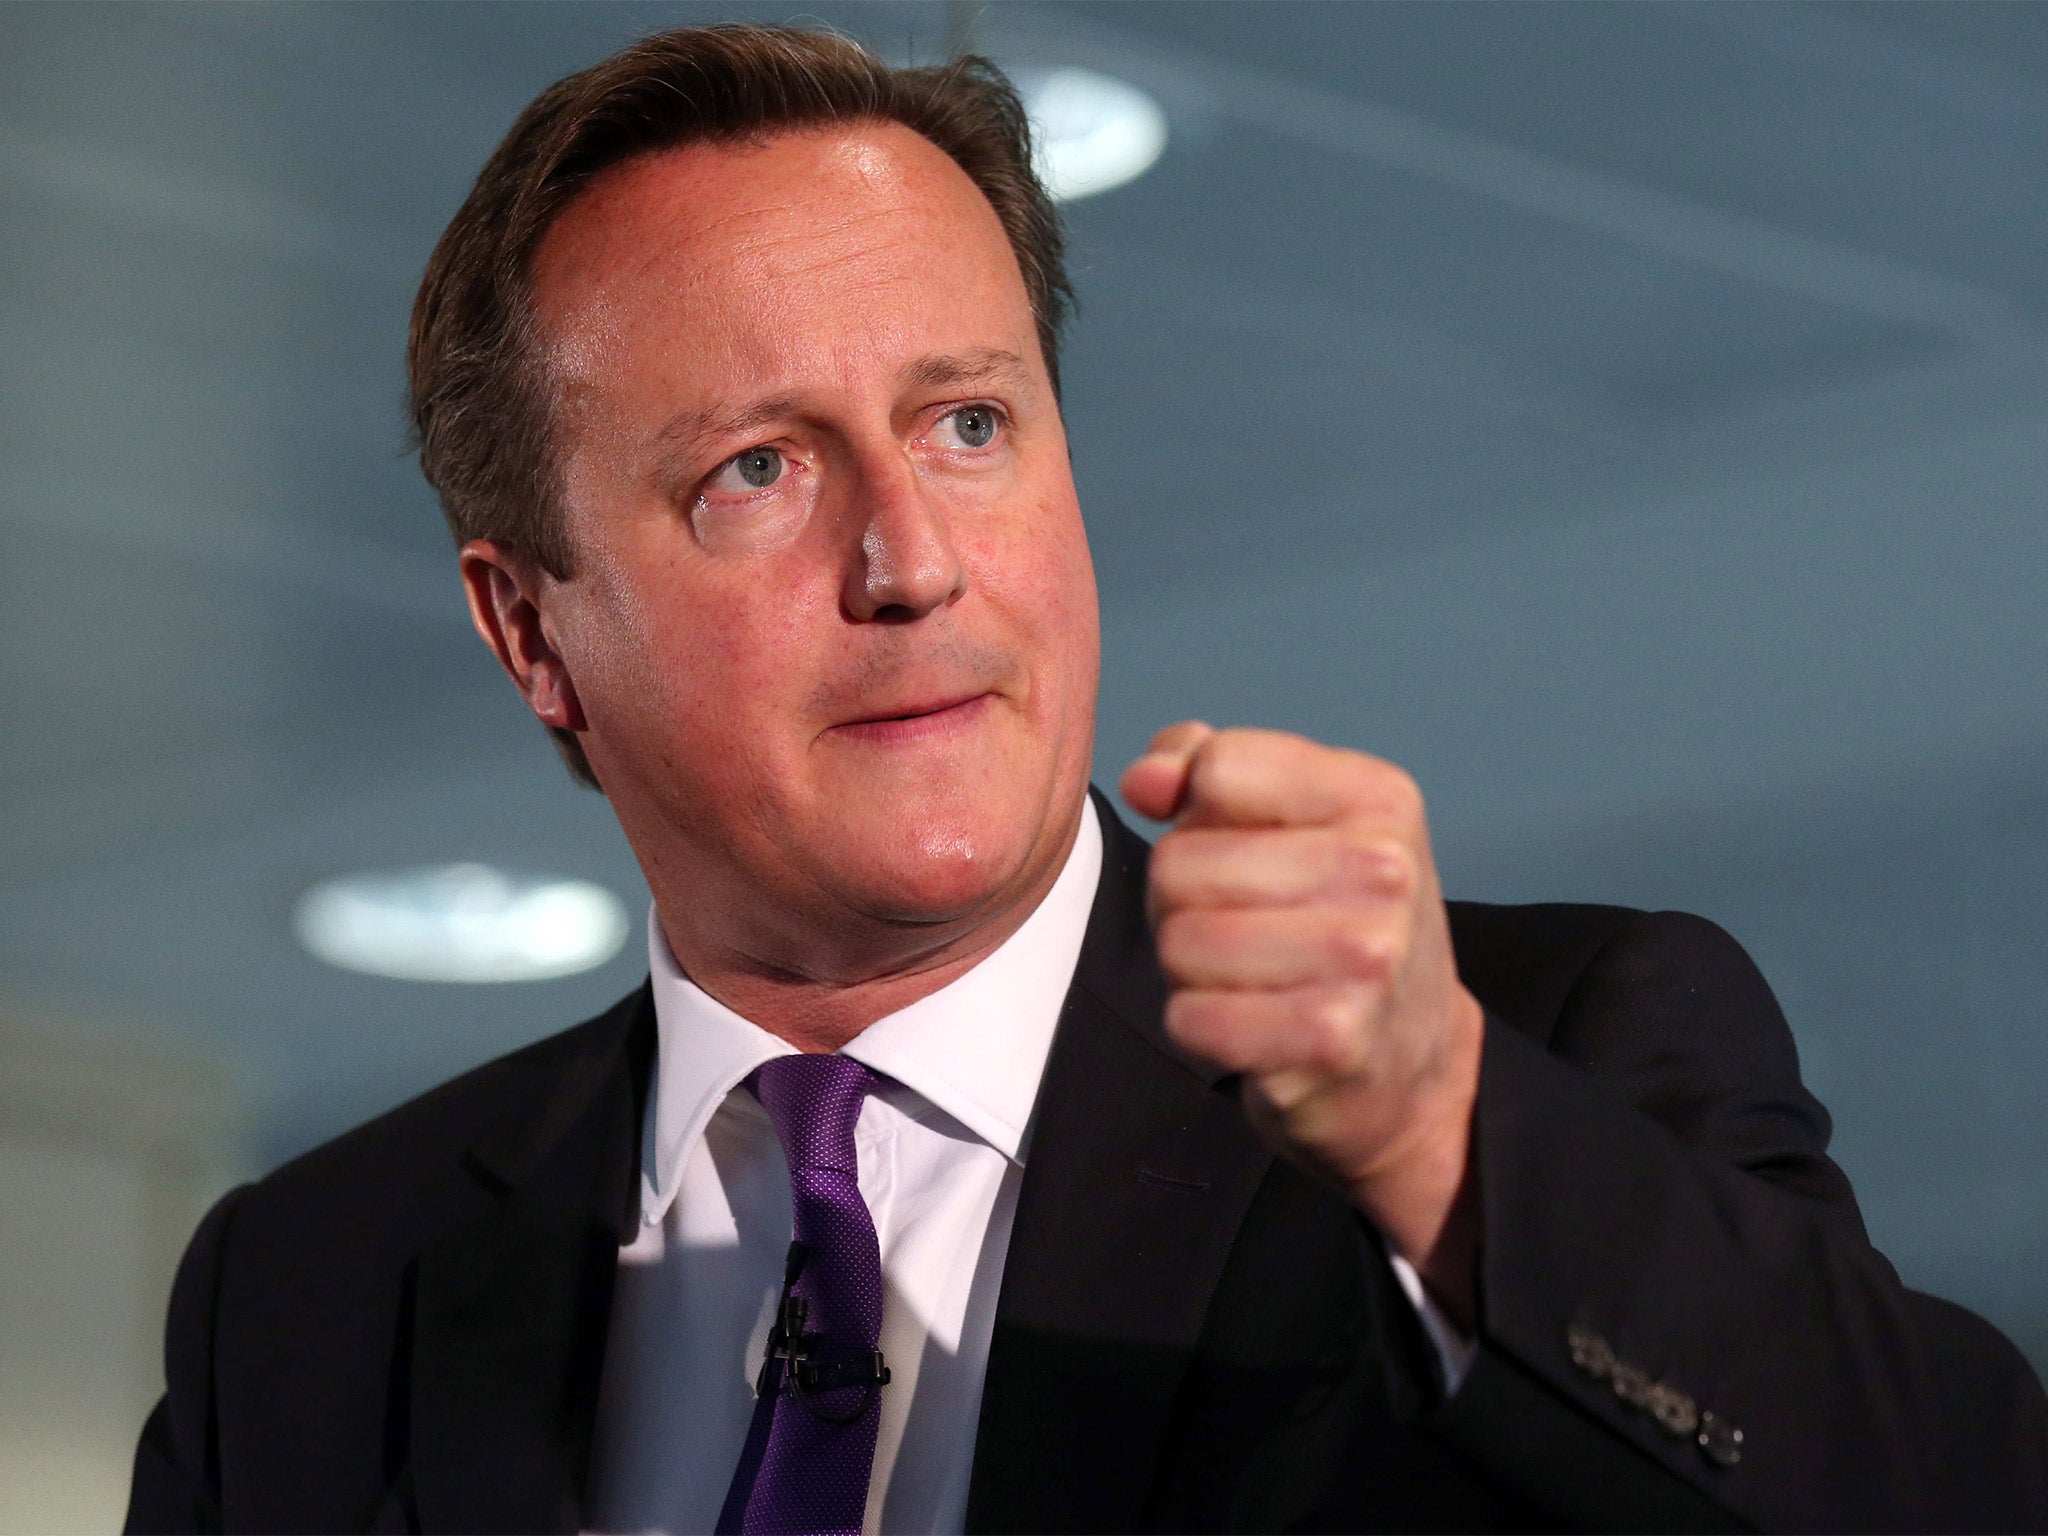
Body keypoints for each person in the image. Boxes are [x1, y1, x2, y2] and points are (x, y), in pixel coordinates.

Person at [126, 23, 2048, 1536]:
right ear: (531, 632)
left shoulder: (1533, 1063)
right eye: (758, 472)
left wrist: (1441, 1136)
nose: (910, 562)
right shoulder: (310, 1297)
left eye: (967, 423)